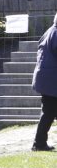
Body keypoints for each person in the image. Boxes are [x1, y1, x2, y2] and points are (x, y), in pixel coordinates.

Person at [31, 13, 57, 151]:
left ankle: (39, 143)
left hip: (47, 79)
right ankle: (38, 144)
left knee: (48, 112)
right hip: (51, 81)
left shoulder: (50, 31)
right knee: (48, 113)